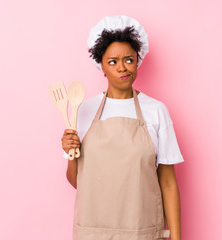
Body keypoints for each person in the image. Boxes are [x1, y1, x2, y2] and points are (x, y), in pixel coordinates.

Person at [61, 15, 184, 240]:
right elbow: (77, 180)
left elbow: (167, 182)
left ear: (137, 61)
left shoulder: (156, 110)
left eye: (128, 59)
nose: (122, 67)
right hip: (93, 232)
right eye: (112, 62)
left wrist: (176, 238)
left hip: (142, 231)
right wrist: (71, 153)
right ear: (102, 67)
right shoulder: (83, 111)